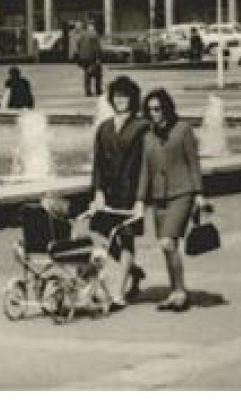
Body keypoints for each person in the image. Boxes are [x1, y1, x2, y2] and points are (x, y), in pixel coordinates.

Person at [142, 87, 205, 312]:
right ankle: (175, 290)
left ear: (167, 108)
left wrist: (199, 194)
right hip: (159, 197)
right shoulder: (148, 135)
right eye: (150, 110)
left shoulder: (183, 130)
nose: (154, 114)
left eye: (158, 109)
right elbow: (144, 170)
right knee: (168, 247)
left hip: (182, 192)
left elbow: (193, 163)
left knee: (168, 242)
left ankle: (180, 292)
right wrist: (141, 200)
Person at [88, 74, 148, 310]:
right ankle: (134, 271)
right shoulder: (104, 128)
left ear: (133, 99)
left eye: (125, 96)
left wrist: (141, 198)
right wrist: (98, 192)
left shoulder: (142, 126)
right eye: (117, 96)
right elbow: (98, 164)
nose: (121, 100)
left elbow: (144, 163)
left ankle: (119, 293)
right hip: (108, 192)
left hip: (130, 193)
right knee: (101, 235)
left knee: (126, 238)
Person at [76, 21, 104, 98]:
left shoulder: (81, 35)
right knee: (98, 74)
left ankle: (88, 91)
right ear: (93, 27)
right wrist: (98, 58)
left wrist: (80, 56)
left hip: (83, 58)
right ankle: (98, 90)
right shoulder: (94, 35)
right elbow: (97, 48)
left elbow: (78, 46)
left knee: (87, 74)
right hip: (92, 57)